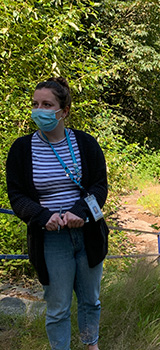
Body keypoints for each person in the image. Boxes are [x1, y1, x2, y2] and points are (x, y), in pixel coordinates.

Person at [6, 77, 109, 350]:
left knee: (91, 300)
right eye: (35, 104)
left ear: (64, 111)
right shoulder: (21, 150)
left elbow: (99, 186)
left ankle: (91, 345)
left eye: (47, 104)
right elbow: (16, 195)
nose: (39, 110)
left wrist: (80, 212)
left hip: (87, 235)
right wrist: (42, 216)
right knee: (58, 307)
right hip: (51, 240)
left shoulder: (86, 144)